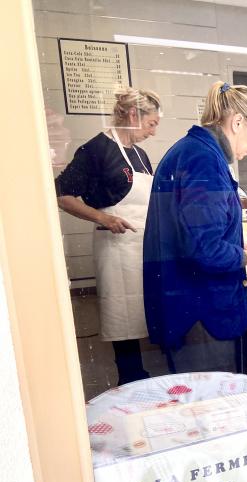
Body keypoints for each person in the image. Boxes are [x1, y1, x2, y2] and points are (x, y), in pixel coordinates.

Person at [143, 82, 247, 374]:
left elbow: (193, 232)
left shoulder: (193, 150)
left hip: (186, 303)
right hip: (200, 313)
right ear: (236, 122)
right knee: (211, 406)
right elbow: (204, 250)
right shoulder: (204, 161)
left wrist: (236, 246)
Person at [55, 87, 161, 385]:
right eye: (151, 124)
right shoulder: (96, 150)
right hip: (115, 248)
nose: (153, 132)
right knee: (121, 314)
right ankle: (129, 377)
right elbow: (62, 194)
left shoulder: (139, 155)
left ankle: (144, 373)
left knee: (143, 309)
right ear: (132, 115)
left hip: (142, 246)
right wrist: (103, 217)